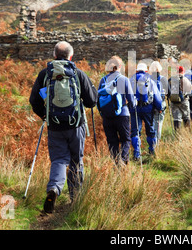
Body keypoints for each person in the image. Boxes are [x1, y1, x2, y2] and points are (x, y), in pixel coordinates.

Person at [29, 41, 98, 213]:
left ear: (54, 55)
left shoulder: (45, 74)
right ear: (70, 56)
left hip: (54, 126)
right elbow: (91, 102)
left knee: (59, 160)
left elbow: (34, 100)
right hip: (76, 125)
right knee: (76, 160)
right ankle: (76, 198)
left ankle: (54, 189)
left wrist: (44, 116)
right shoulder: (78, 74)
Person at [98, 56, 136, 166]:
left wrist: (102, 113)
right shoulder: (123, 79)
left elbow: (98, 97)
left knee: (112, 141)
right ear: (119, 66)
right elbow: (131, 99)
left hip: (107, 115)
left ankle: (116, 162)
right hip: (122, 114)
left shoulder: (103, 80)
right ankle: (123, 161)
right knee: (125, 139)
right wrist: (133, 105)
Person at [130, 62, 163, 159]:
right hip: (148, 109)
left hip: (134, 109)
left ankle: (136, 153)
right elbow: (156, 96)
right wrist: (159, 107)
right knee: (150, 131)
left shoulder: (131, 79)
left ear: (137, 70)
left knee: (135, 132)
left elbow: (126, 95)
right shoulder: (150, 80)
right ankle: (152, 151)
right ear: (146, 70)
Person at [168, 66, 192, 130]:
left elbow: (167, 90)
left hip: (173, 101)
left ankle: (177, 135)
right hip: (184, 101)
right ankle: (187, 134)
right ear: (183, 71)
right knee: (186, 117)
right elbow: (190, 90)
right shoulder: (185, 79)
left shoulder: (171, 80)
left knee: (176, 118)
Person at [149, 61, 167, 142]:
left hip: (150, 104)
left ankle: (151, 143)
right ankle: (156, 144)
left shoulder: (148, 79)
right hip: (160, 104)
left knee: (151, 124)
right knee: (158, 124)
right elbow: (169, 92)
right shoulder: (163, 79)